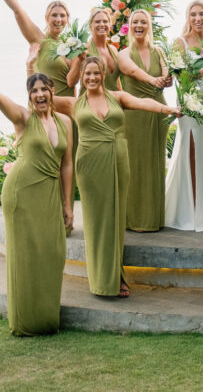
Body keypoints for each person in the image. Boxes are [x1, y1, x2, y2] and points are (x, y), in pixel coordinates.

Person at [0, 52, 73, 335]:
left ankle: (46, 315)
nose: (40, 94)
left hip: (49, 194)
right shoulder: (22, 117)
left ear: (53, 91)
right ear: (30, 96)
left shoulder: (66, 123)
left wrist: (67, 204)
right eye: (34, 91)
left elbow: (67, 165)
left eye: (44, 89)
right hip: (22, 192)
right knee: (26, 255)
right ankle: (28, 321)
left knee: (53, 252)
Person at [45, 54, 179, 298]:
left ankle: (116, 275)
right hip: (90, 165)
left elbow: (143, 102)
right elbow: (41, 99)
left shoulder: (117, 97)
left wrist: (167, 108)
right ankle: (100, 280)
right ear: (82, 78)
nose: (92, 77)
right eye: (88, 74)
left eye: (96, 73)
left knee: (116, 219)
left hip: (118, 161)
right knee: (97, 221)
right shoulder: (73, 103)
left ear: (103, 75)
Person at [164, 0, 203, 231]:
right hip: (191, 107)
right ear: (187, 17)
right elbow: (179, 78)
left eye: (202, 14)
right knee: (191, 153)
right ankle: (191, 213)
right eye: (193, 14)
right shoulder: (179, 43)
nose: (198, 18)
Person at [0, 0, 80, 97]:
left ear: (67, 19)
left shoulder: (71, 47)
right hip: (44, 110)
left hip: (67, 112)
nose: (58, 19)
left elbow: (72, 84)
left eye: (62, 16)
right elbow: (18, 11)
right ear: (46, 17)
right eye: (54, 15)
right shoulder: (39, 40)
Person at [117, 9, 171, 232]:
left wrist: (167, 79)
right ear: (130, 26)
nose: (139, 25)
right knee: (136, 165)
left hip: (158, 112)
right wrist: (154, 80)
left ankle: (154, 219)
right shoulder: (123, 53)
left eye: (143, 22)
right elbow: (130, 70)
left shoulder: (159, 51)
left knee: (155, 164)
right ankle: (135, 219)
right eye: (135, 22)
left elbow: (168, 73)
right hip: (134, 113)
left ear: (149, 25)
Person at [71, 7, 123, 91]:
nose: (102, 24)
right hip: (91, 102)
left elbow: (117, 81)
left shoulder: (114, 49)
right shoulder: (82, 49)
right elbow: (71, 82)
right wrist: (80, 60)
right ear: (91, 26)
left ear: (110, 25)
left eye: (105, 21)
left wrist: (122, 101)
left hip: (114, 101)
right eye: (97, 22)